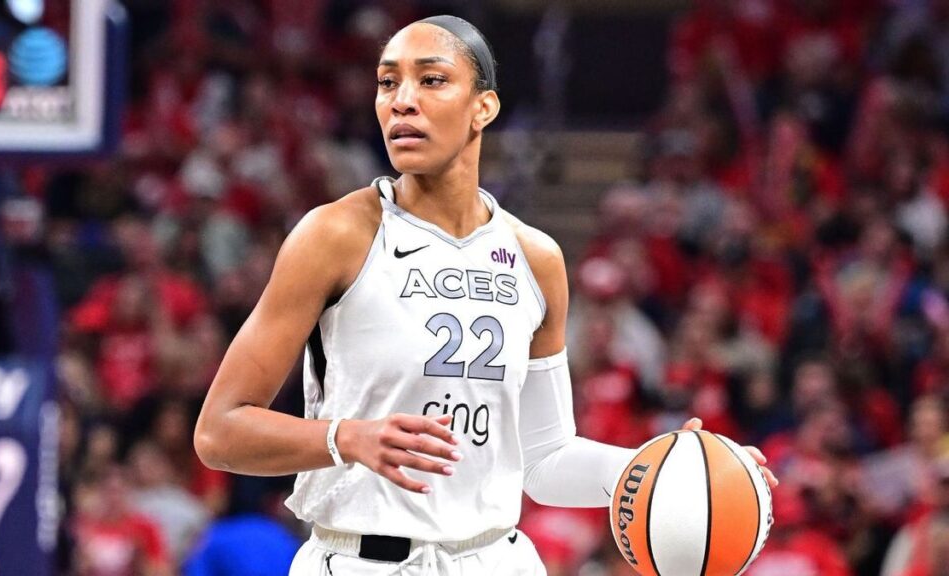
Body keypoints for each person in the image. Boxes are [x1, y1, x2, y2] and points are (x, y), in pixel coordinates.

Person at [194, 14, 778, 575]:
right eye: (387, 82)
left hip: (500, 558)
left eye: (431, 79)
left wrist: (673, 468)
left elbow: (544, 459)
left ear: (484, 107)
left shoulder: (537, 258)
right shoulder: (335, 235)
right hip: (362, 559)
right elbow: (219, 432)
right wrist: (345, 437)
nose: (402, 100)